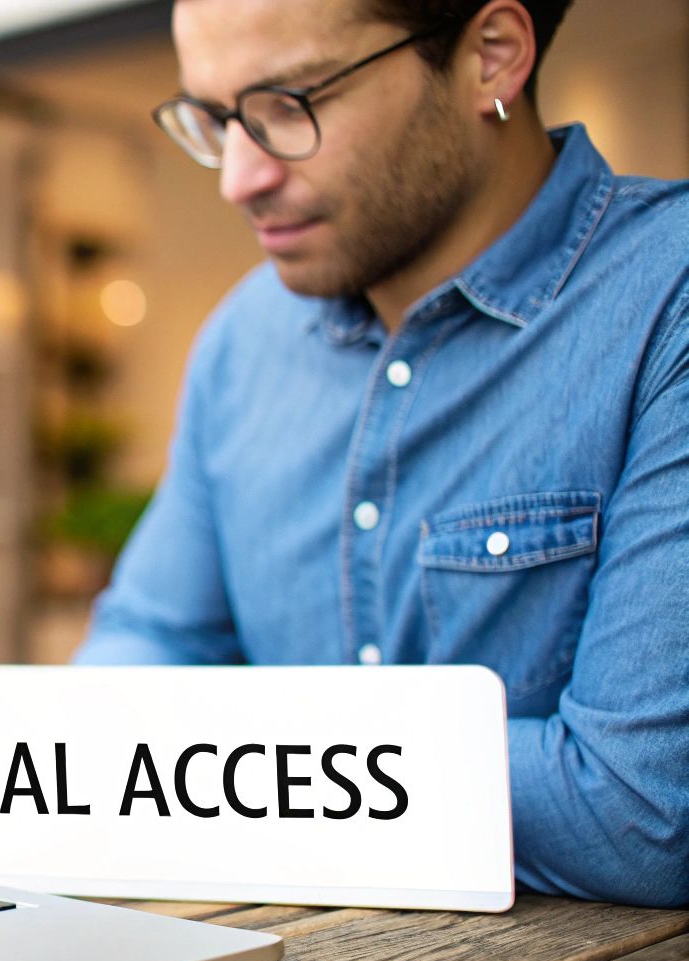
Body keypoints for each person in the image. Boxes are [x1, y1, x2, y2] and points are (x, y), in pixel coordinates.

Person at [76, 0, 689, 907]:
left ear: (491, 58)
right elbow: (139, 655)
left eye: (288, 104)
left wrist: (226, 766)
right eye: (214, 119)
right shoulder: (245, 342)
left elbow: (641, 811)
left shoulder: (664, 301)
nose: (237, 179)